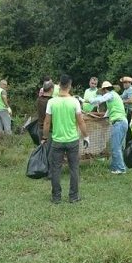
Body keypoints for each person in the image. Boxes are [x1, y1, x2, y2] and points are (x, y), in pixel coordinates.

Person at [41, 74, 90, 204]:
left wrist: (45, 137)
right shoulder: (74, 101)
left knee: (56, 169)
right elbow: (81, 122)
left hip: (57, 140)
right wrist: (86, 136)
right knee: (74, 168)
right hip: (72, 140)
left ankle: (56, 197)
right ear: (69, 85)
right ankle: (73, 196)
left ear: (59, 85)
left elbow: (46, 123)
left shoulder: (52, 102)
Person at [87, 80, 128, 174]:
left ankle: (121, 169)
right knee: (117, 147)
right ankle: (114, 167)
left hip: (119, 123)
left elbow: (99, 100)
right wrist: (102, 118)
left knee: (115, 147)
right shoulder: (113, 98)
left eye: (103, 91)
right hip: (121, 122)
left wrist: (87, 100)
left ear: (105, 89)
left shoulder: (111, 94)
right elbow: (108, 112)